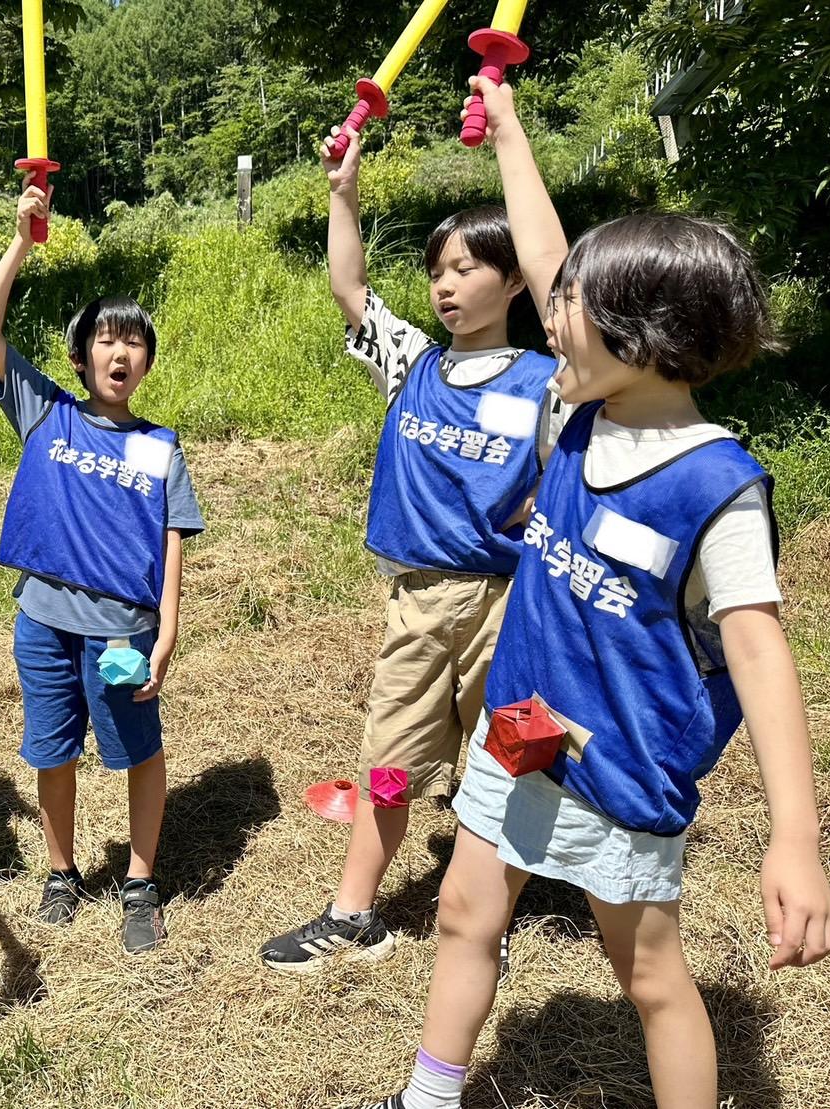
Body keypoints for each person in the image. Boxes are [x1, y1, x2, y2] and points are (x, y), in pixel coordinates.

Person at [363, 79, 830, 1109]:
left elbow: (757, 652)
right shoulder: (576, 417)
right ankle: (428, 1096)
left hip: (623, 760)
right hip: (521, 724)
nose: (550, 315)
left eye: (569, 308)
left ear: (646, 336)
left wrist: (794, 836)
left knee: (649, 973)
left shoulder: (716, 487)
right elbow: (548, 257)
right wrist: (509, 125)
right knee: (463, 912)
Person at [258, 122, 561, 973]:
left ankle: (491, 908)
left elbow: (578, 475)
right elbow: (349, 287)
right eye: (436, 271)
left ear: (514, 280)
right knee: (389, 762)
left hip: (508, 606)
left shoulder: (548, 383)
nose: (445, 285)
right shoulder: (411, 363)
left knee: (512, 754)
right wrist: (340, 193)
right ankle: (353, 913)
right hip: (418, 603)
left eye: (465, 268)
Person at [0, 179, 205, 954]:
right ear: (78, 356)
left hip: (120, 632)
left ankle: (139, 880)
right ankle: (61, 871)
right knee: (52, 749)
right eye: (105, 339)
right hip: (41, 621)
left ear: (146, 362)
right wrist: (20, 242)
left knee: (137, 749)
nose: (119, 351)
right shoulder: (46, 411)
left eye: (133, 341)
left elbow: (173, 539)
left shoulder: (159, 446)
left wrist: (166, 633)